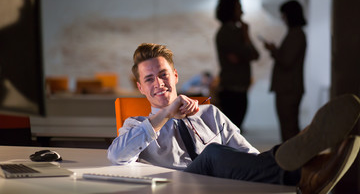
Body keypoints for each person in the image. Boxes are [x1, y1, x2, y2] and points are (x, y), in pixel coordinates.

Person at [108, 43, 360, 194]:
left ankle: (305, 166)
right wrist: (166, 112)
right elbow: (116, 155)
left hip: (223, 184)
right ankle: (305, 173)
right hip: (179, 186)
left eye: (163, 75)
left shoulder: (209, 113)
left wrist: (264, 166)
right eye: (149, 79)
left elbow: (247, 156)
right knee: (212, 154)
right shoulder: (136, 126)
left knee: (251, 158)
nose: (159, 83)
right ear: (141, 88)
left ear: (175, 76)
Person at [263, 0, 307, 142]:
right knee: (289, 127)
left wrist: (274, 51)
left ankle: (291, 162)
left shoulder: (296, 34)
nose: (282, 18)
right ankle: (291, 161)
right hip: (289, 88)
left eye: (283, 15)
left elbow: (287, 61)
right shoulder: (296, 34)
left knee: (289, 129)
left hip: (289, 89)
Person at [215, 0, 259, 130]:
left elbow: (255, 55)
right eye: (239, 8)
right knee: (232, 132)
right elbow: (240, 57)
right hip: (231, 90)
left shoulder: (238, 31)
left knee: (236, 130)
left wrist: (246, 36)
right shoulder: (225, 33)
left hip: (240, 88)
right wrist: (245, 41)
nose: (242, 12)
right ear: (230, 10)